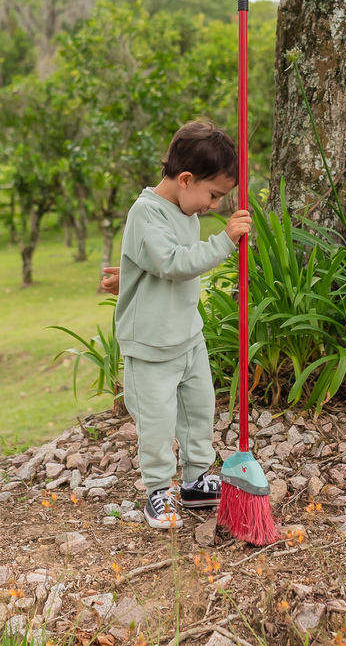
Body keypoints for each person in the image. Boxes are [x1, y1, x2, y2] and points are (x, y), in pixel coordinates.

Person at [99, 119, 251, 529]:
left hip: (187, 337)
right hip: (151, 346)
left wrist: (130, 275)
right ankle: (157, 491)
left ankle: (195, 480)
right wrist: (225, 242)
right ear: (185, 179)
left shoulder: (186, 210)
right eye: (213, 195)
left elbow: (156, 262)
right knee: (158, 422)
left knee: (199, 411)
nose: (215, 205)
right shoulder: (146, 213)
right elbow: (173, 263)